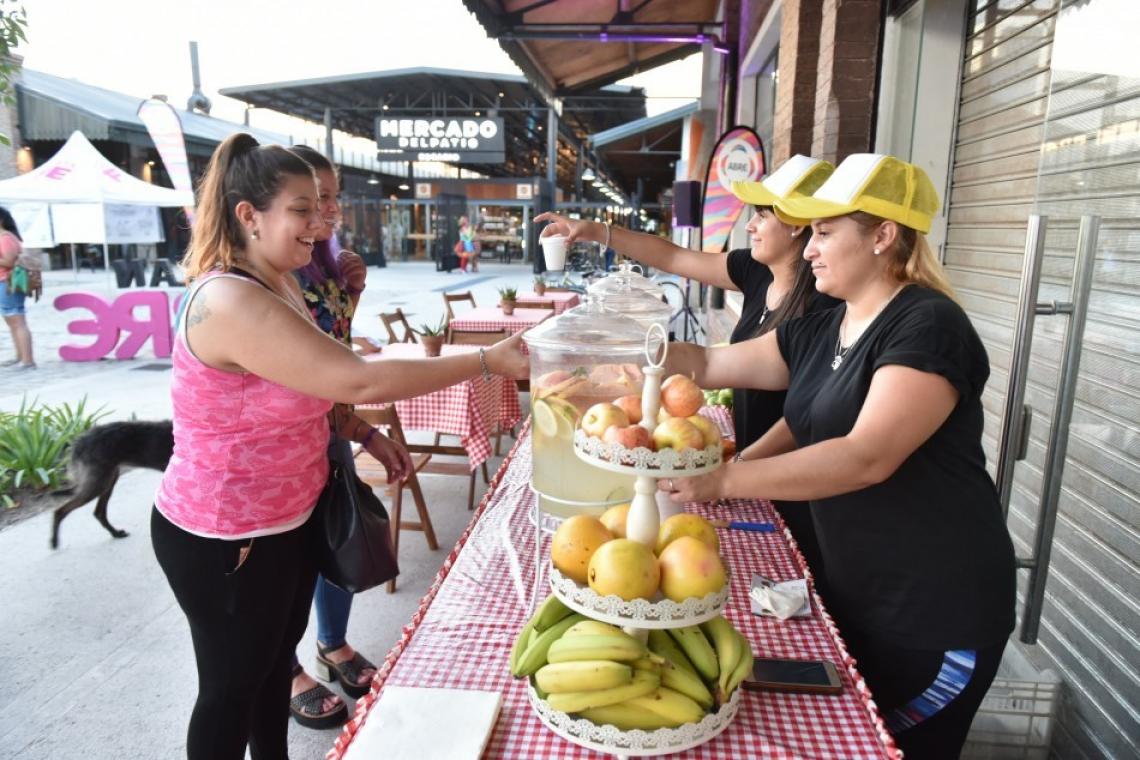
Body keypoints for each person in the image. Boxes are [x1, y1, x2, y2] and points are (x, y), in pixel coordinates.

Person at [152, 133, 528, 760]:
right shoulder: (229, 298)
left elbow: (314, 389)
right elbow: (357, 379)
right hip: (226, 532)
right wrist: (485, 360)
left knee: (273, 667)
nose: (321, 223)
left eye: (323, 207)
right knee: (230, 690)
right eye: (302, 209)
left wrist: (363, 432)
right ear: (249, 215)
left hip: (285, 518)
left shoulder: (278, 282)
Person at [658, 154, 1016, 758]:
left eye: (824, 232)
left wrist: (723, 481)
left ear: (883, 235)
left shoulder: (928, 324)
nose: (810, 248)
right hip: (859, 590)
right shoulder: (827, 327)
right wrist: (616, 354)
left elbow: (864, 456)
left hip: (932, 612)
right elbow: (710, 363)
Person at [535, 155, 841, 573]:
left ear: (797, 226)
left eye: (762, 216)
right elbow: (673, 257)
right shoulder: (756, 272)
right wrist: (594, 231)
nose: (750, 226)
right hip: (744, 468)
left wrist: (738, 470)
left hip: (784, 479)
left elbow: (803, 416)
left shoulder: (825, 307)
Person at [283, 145, 377, 729]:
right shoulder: (273, 273)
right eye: (316, 199)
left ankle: (332, 641)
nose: (330, 210)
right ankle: (287, 666)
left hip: (331, 423)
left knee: (338, 536)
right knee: (291, 557)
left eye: (334, 197)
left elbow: (336, 347)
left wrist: (353, 293)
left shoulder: (325, 261)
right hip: (287, 438)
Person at [0, 207, 35, 369]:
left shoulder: (6, 238)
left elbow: (9, 261)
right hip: (5, 283)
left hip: (8, 283)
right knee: (12, 322)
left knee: (17, 321)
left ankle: (28, 360)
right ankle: (20, 356)